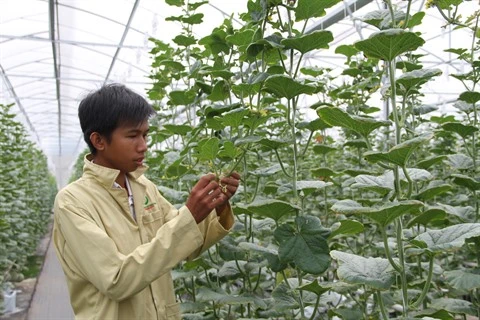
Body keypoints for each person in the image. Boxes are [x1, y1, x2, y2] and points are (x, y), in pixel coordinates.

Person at [53, 83, 240, 320]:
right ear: (99, 140)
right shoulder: (72, 202)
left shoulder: (143, 187)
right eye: (132, 136)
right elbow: (116, 280)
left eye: (145, 134)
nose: (143, 146)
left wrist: (215, 206)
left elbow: (186, 245)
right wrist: (189, 215)